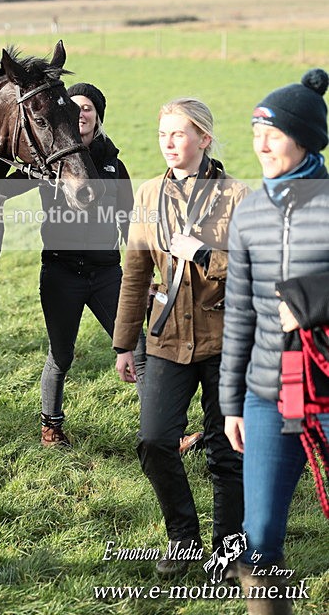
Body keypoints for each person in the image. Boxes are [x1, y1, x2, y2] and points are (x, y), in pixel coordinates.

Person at [113, 97, 248, 577]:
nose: (169, 143)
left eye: (179, 134)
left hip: (226, 339)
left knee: (226, 451)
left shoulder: (238, 196)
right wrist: (125, 343)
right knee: (153, 441)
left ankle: (229, 551)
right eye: (163, 134)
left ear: (204, 139)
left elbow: (261, 265)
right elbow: (135, 272)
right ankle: (183, 539)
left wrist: (207, 254)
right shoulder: (148, 195)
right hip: (166, 339)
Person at [219, 68, 329, 613]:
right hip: (266, 396)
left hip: (328, 390)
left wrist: (313, 301)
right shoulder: (249, 212)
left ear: (305, 138)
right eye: (255, 130)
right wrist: (230, 403)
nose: (260, 143)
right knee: (258, 538)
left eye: (273, 132)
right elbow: (238, 311)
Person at [30, 82, 146, 446]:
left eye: (88, 109)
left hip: (107, 274)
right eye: (75, 108)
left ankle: (159, 431)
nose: (81, 114)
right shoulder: (51, 164)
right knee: (61, 355)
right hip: (61, 273)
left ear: (98, 117)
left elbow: (129, 220)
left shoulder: (114, 164)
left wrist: (148, 268)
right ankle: (52, 424)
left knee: (139, 349)